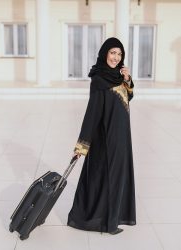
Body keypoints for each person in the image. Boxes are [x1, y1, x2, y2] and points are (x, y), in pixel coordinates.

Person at [67, 37, 136, 235]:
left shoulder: (118, 75)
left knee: (118, 176)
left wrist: (128, 79)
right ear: (105, 53)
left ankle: (114, 216)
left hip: (122, 137)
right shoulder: (99, 80)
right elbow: (92, 113)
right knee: (107, 176)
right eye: (113, 53)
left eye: (119, 54)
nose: (116, 57)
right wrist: (82, 145)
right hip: (107, 137)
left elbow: (129, 96)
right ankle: (107, 222)